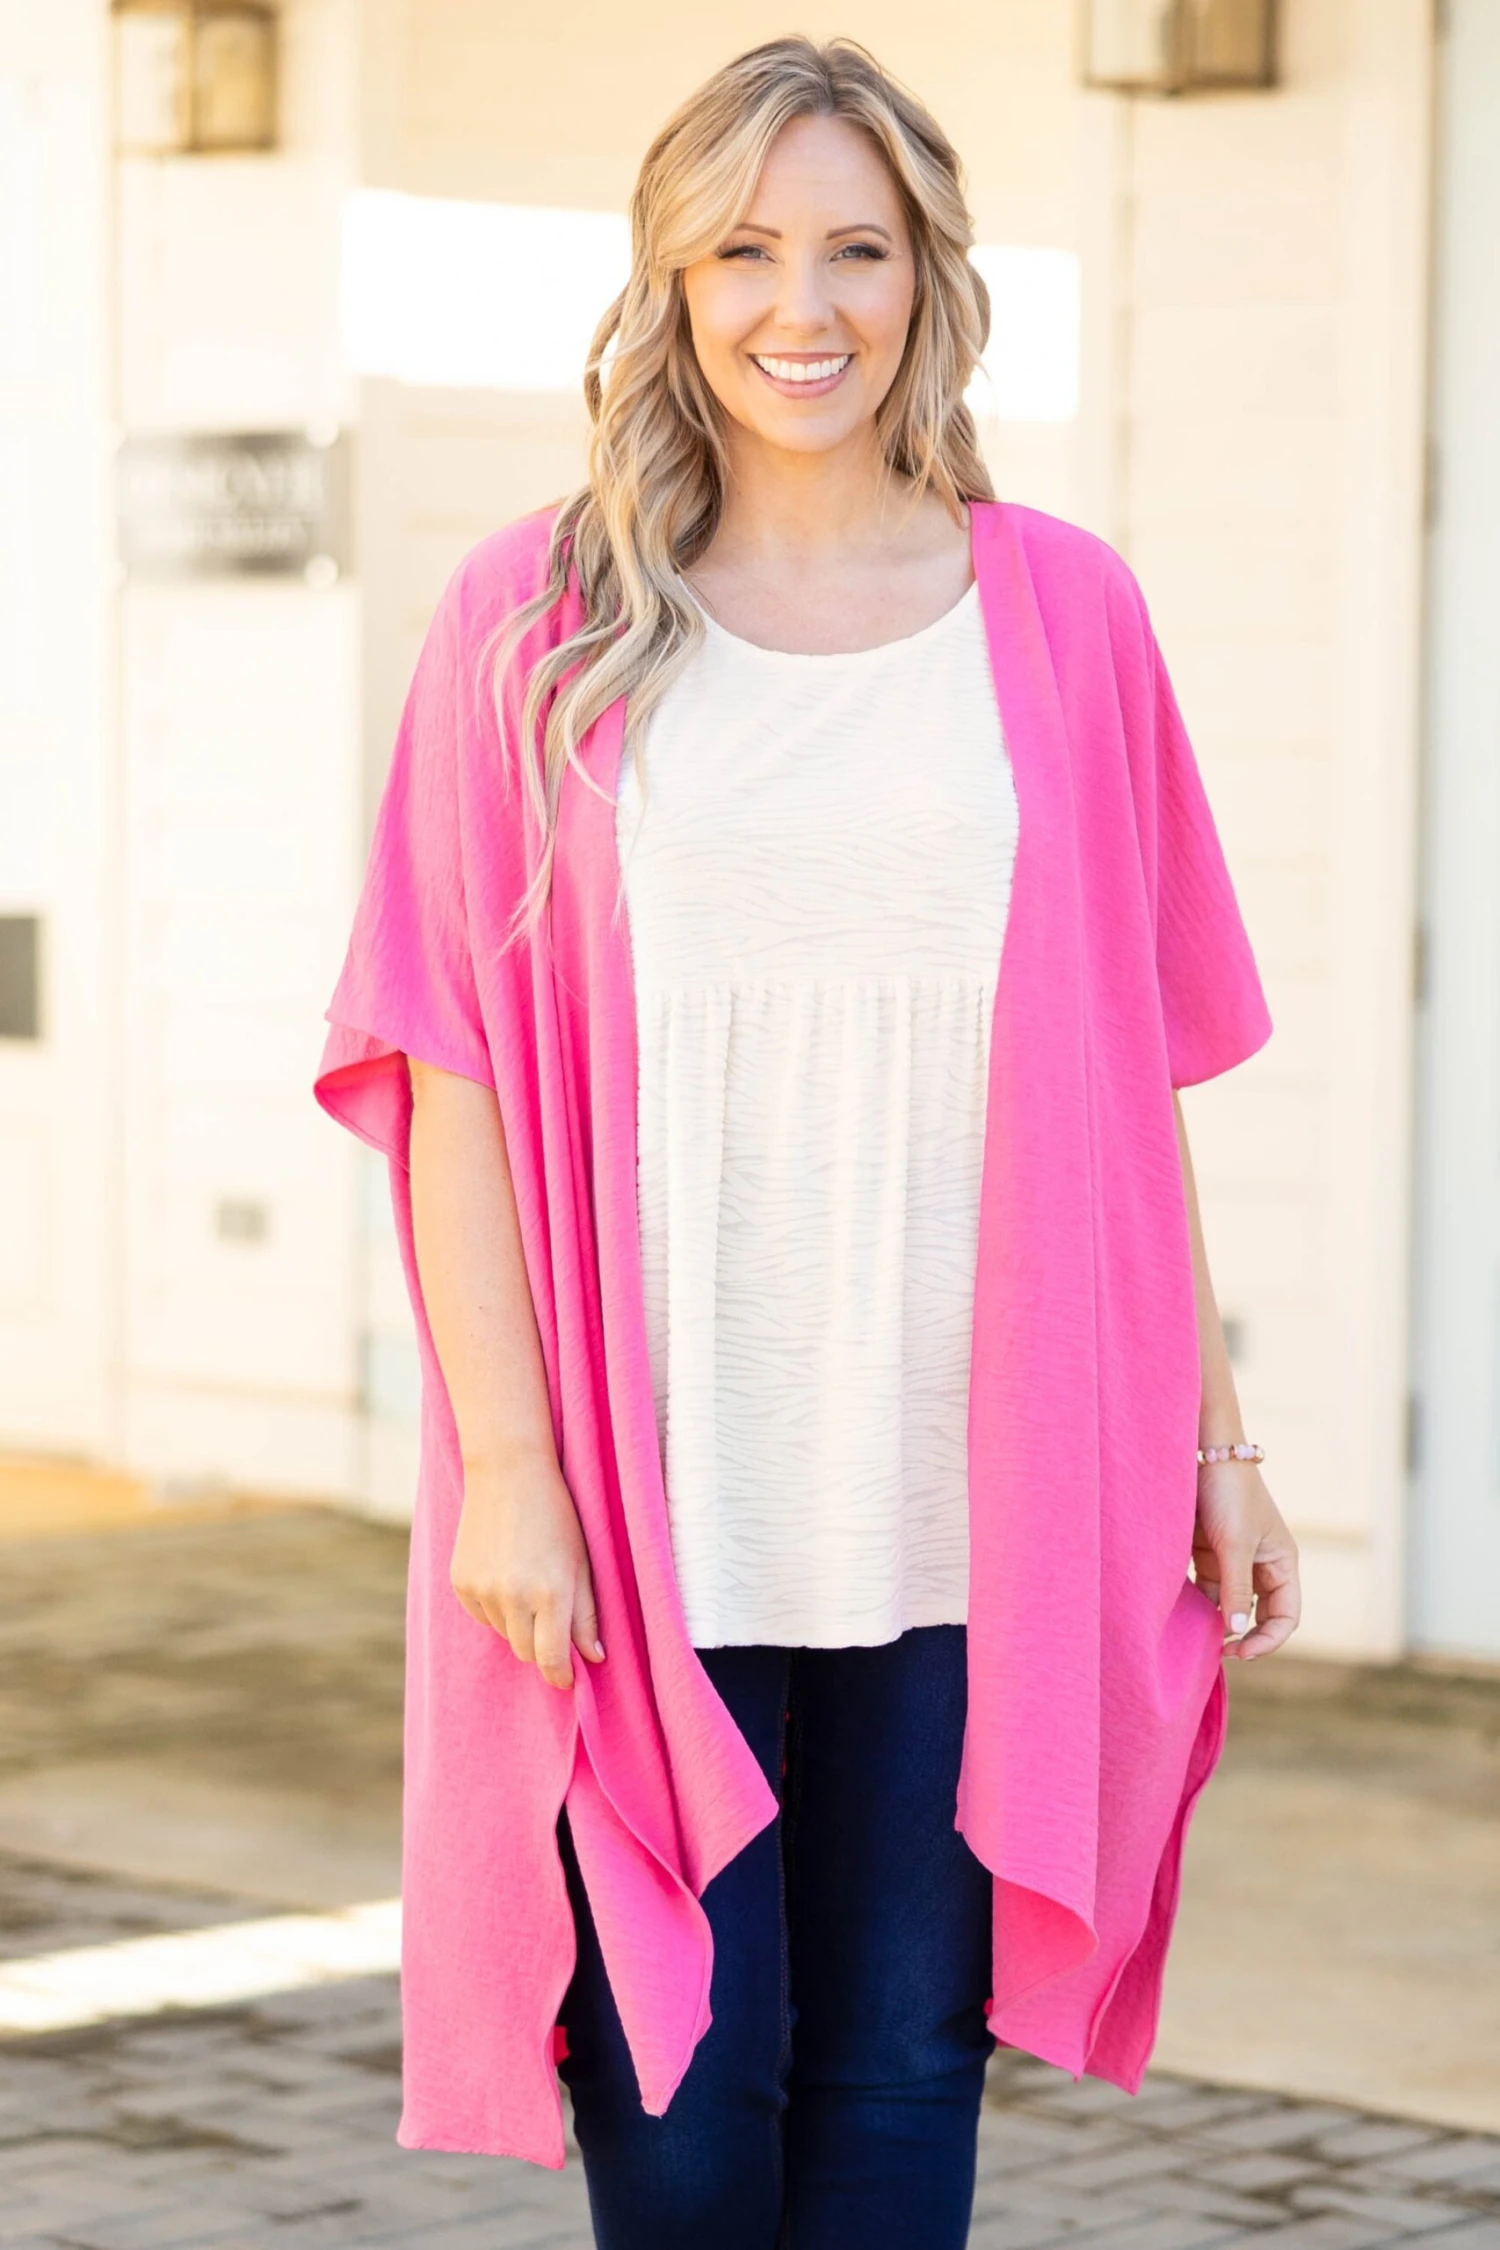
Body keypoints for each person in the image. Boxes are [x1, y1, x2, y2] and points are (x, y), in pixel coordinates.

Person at [314, 33, 1302, 2250]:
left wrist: (1218, 1443)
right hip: (655, 1495)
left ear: (929, 276)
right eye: (746, 250)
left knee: (898, 2070)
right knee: (677, 2080)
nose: (803, 306)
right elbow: (451, 1076)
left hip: (975, 1492)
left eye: (857, 249)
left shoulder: (1065, 614)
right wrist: (510, 1463)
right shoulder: (535, 622)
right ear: (670, 278)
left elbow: (1128, 1086)